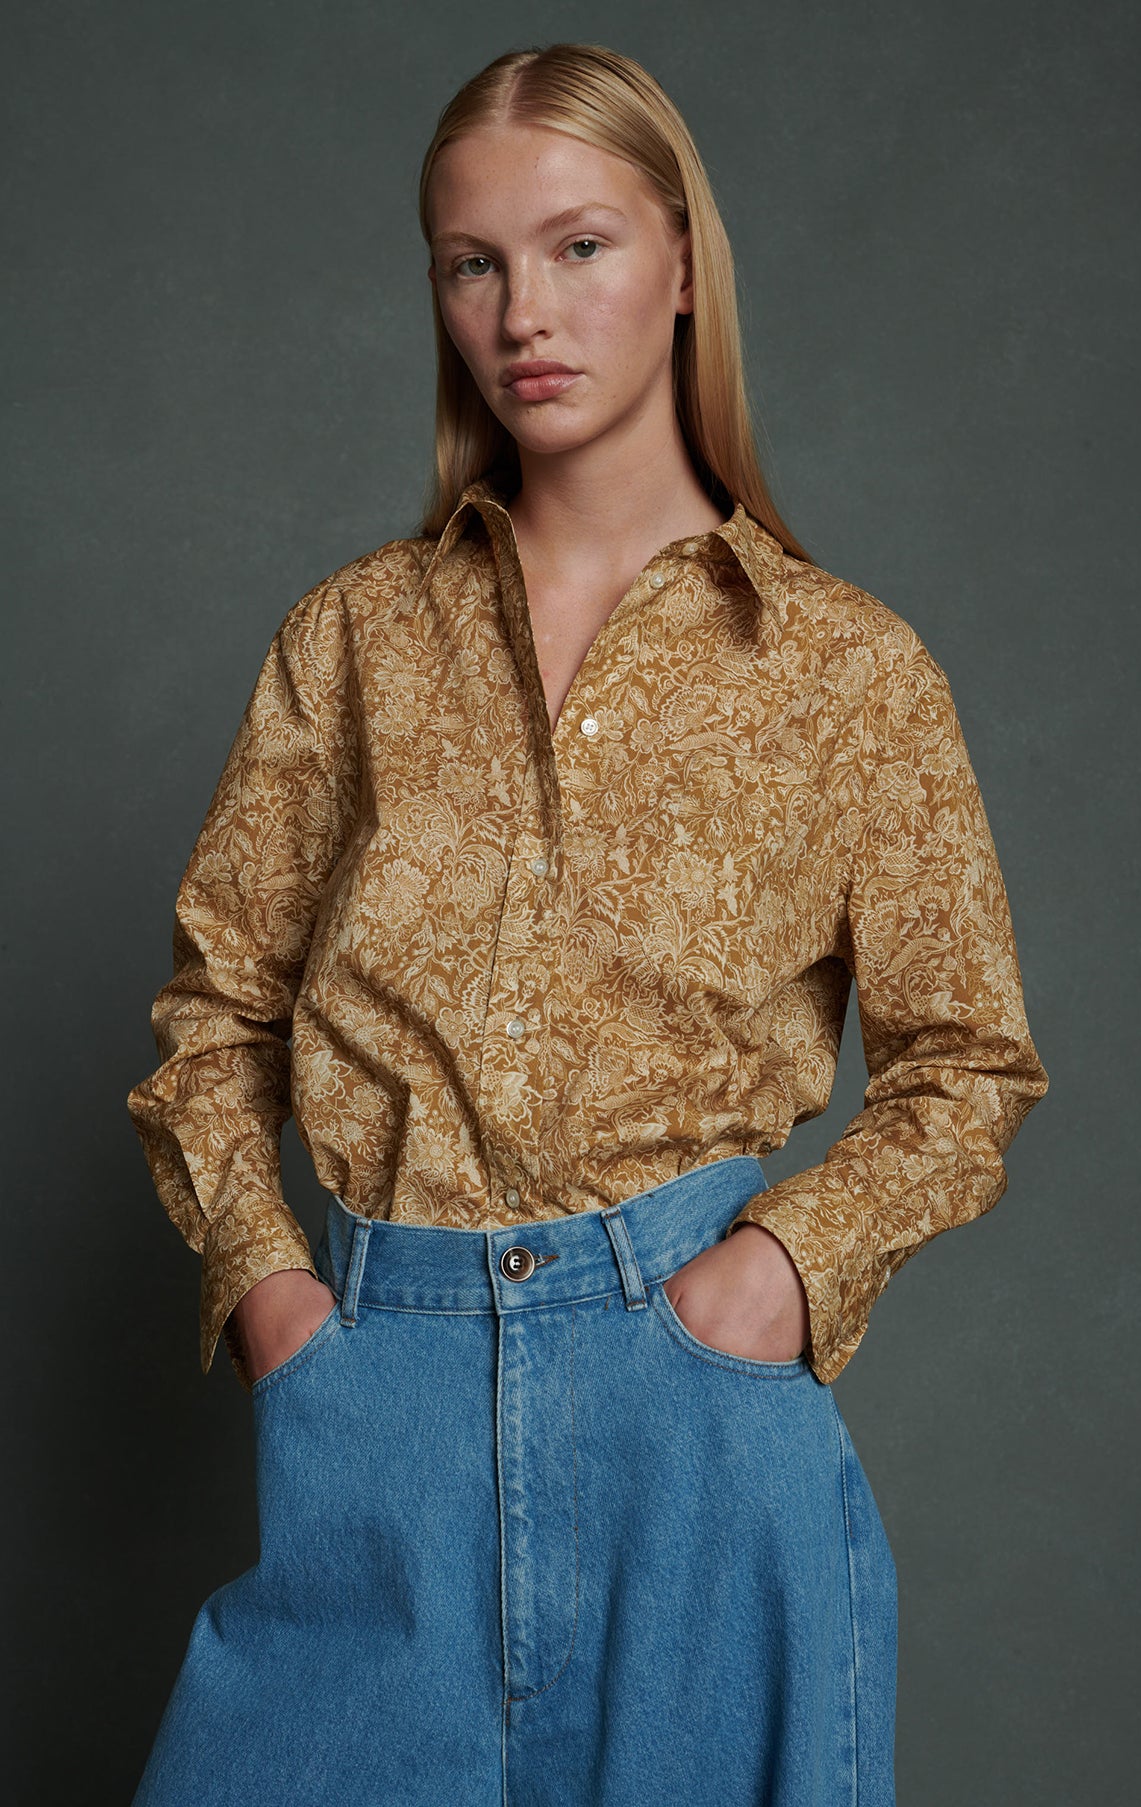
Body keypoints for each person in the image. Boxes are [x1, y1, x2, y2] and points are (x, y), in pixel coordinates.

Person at [125, 40, 1049, 1807]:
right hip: (376, 1404)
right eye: (472, 263)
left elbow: (968, 1065)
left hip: (691, 1420)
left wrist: (785, 1274)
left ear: (684, 265)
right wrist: (271, 1296)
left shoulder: (848, 673)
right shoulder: (355, 642)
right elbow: (215, 1013)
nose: (522, 314)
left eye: (579, 247)